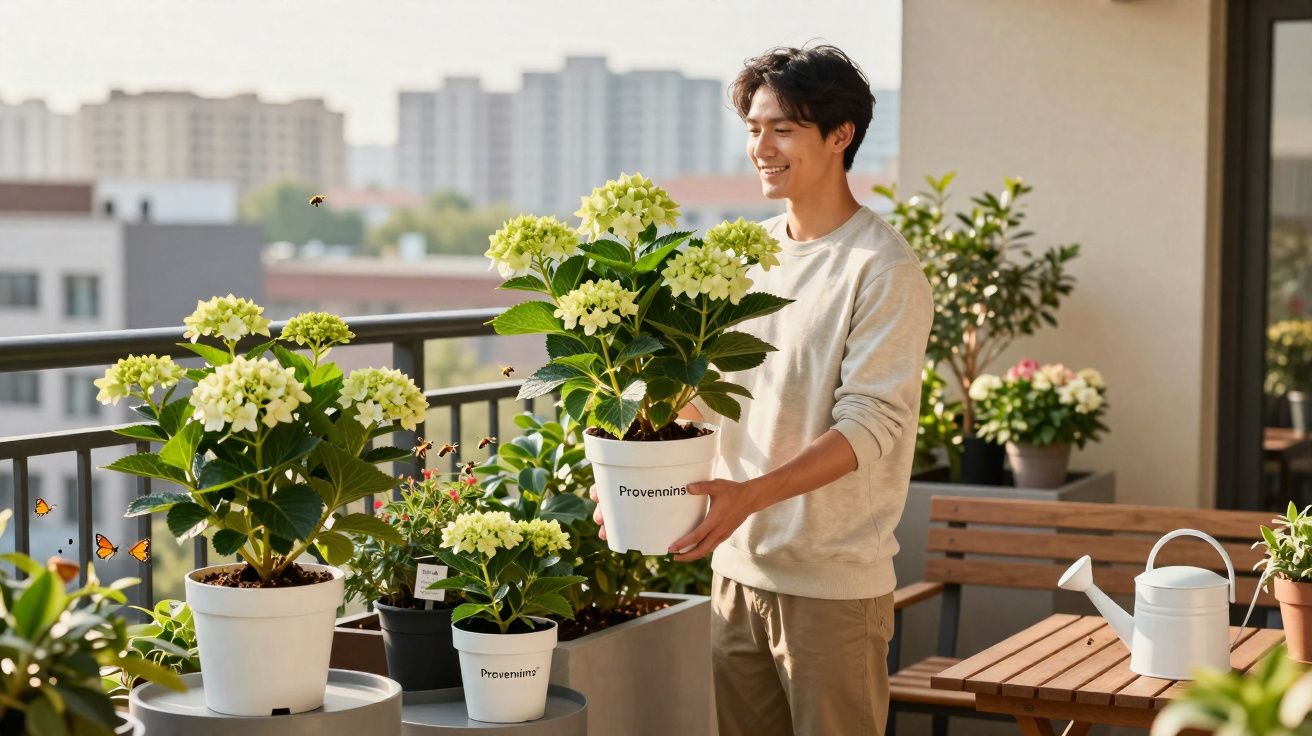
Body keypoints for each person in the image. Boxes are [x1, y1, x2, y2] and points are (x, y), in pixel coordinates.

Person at [592, 44, 933, 735]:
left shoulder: (881, 269)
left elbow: (871, 424)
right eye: (752, 129)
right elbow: (698, 394)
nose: (761, 148)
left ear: (840, 136)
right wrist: (625, 474)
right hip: (738, 573)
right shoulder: (743, 258)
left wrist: (750, 495)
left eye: (782, 129)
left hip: (830, 589)